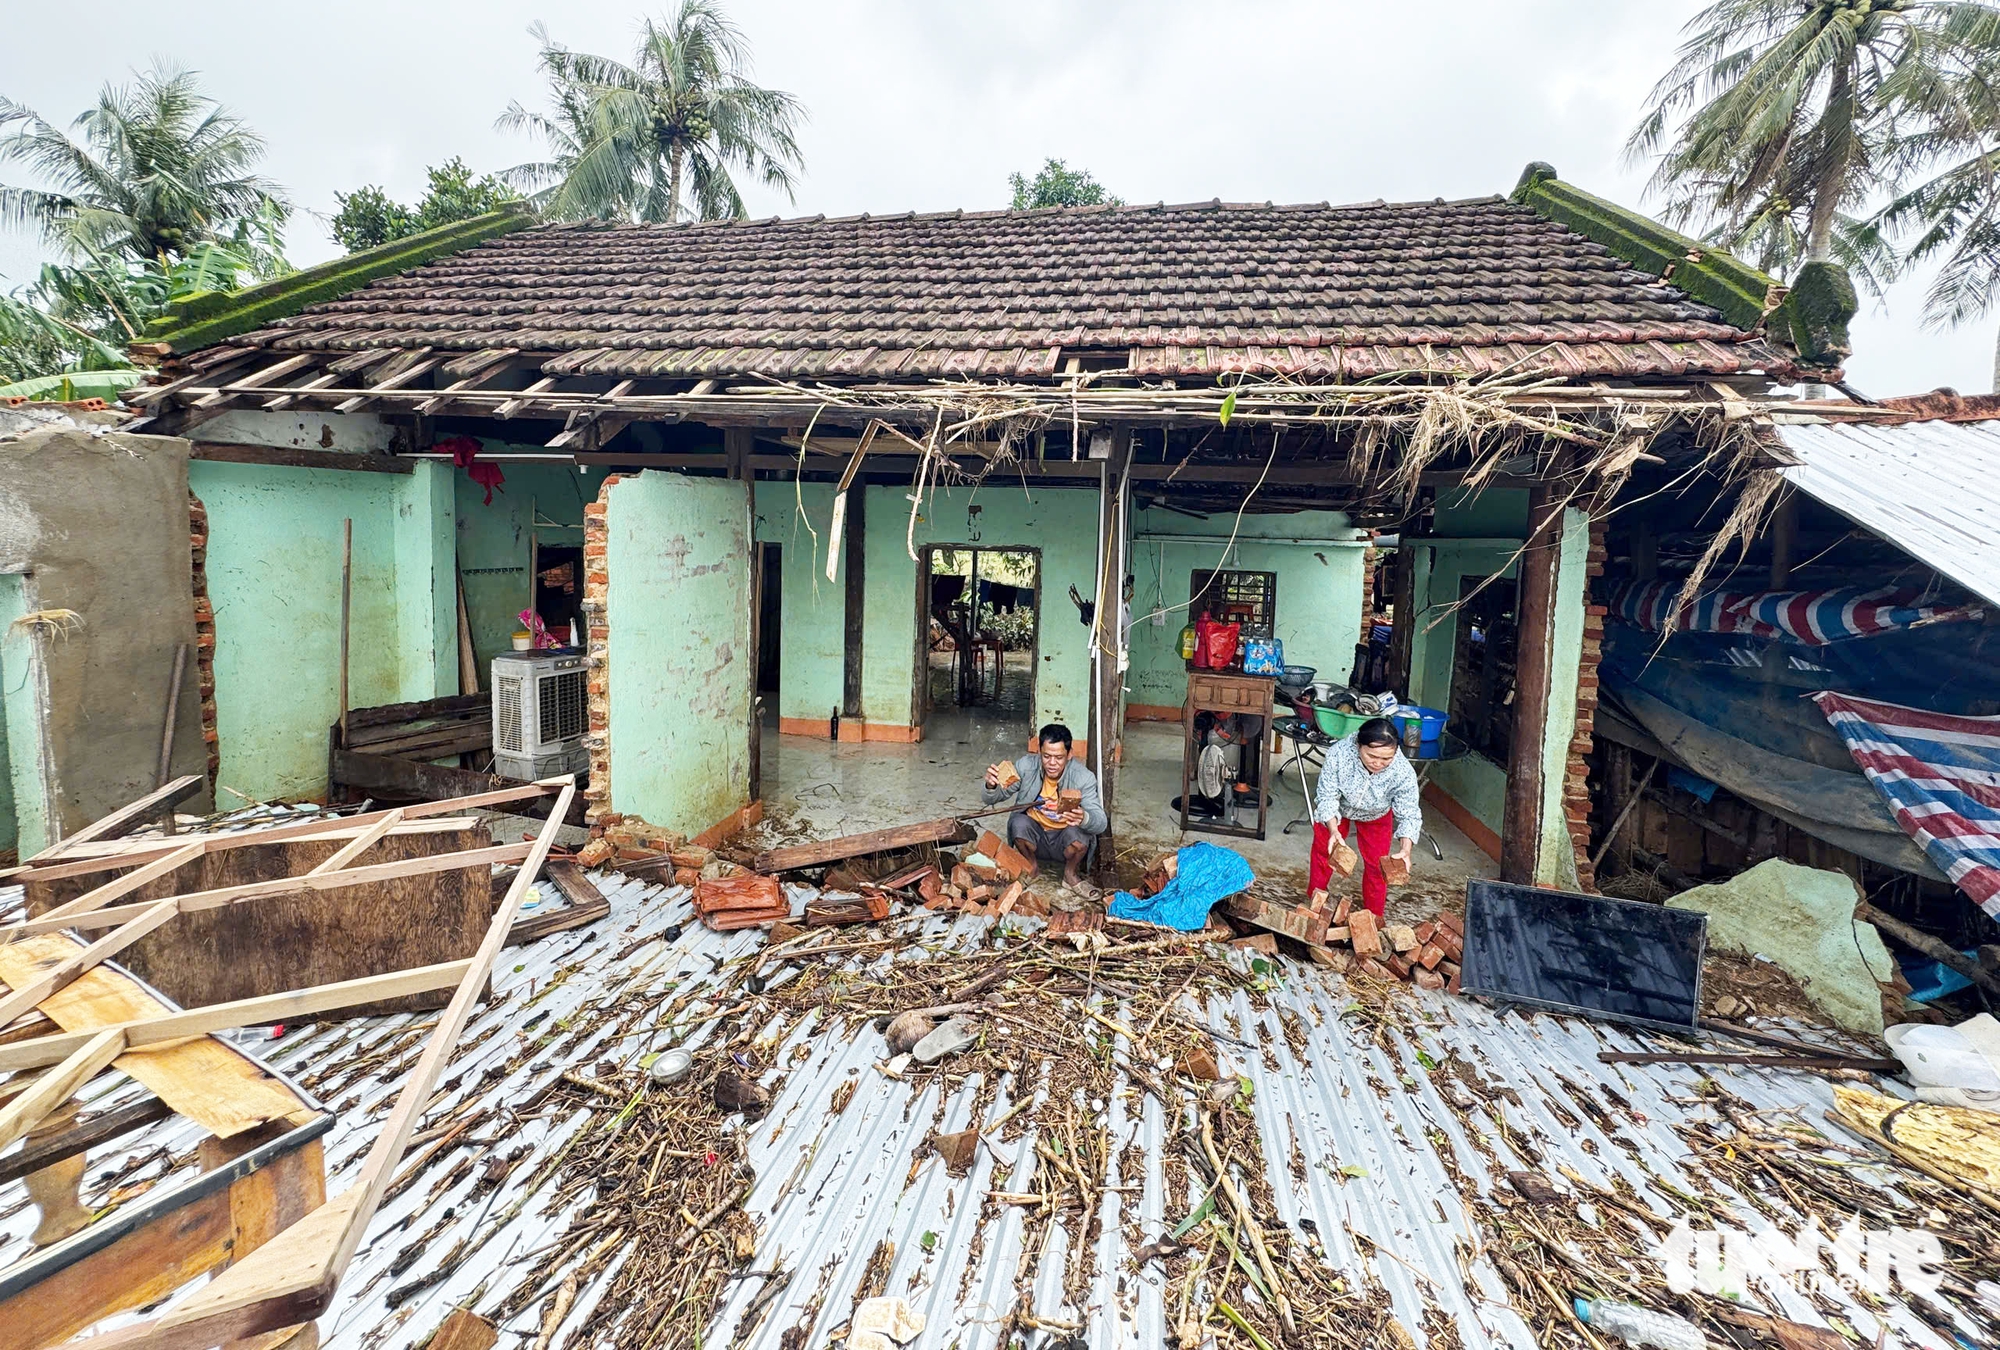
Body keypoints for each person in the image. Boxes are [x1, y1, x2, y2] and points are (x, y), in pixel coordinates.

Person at [1310, 716, 1420, 917]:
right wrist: (1333, 830)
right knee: (1323, 852)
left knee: (1378, 864)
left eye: (1386, 758)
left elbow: (1410, 813)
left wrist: (1406, 849)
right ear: (1358, 745)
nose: (1378, 763)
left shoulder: (1403, 772)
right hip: (1339, 808)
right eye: (1371, 756)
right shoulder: (1339, 754)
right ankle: (1314, 905)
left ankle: (1374, 917)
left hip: (1376, 814)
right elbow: (1327, 796)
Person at [983, 722, 1107, 888]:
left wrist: (1084, 818)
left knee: (1082, 835)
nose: (1052, 763)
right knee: (1017, 823)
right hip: (1036, 837)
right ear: (1039, 751)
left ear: (1069, 754)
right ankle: (1031, 866)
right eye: (1046, 756)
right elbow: (992, 799)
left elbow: (1101, 823)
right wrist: (991, 786)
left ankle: (1070, 873)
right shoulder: (1026, 766)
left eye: (1059, 757)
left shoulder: (1083, 778)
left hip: (1065, 841)